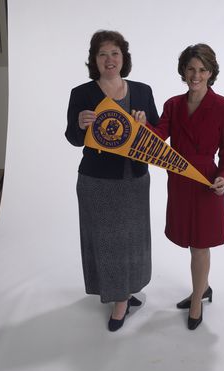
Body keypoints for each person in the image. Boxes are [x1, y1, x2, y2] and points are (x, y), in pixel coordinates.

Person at [65, 30, 159, 332]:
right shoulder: (81, 94)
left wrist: (145, 126)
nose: (109, 59)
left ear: (124, 58)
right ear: (94, 59)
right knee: (104, 241)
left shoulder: (143, 90)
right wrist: (80, 124)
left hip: (134, 178)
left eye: (115, 53)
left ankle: (123, 295)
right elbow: (73, 138)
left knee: (131, 239)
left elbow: (156, 134)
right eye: (103, 54)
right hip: (96, 180)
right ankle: (118, 297)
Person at [155, 43, 224, 330]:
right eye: (191, 68)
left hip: (205, 183)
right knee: (191, 243)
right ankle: (203, 288)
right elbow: (157, 137)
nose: (196, 74)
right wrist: (139, 125)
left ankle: (197, 301)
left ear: (211, 72)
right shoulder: (172, 105)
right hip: (178, 180)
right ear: (183, 71)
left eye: (202, 69)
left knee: (200, 246)